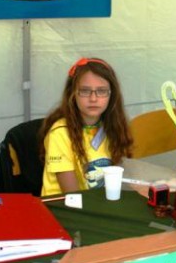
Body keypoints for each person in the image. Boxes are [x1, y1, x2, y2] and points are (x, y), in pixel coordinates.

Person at [39, 57, 133, 196]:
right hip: (64, 208)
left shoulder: (113, 127)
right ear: (73, 93)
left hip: (96, 203)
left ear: (111, 95)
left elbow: (122, 178)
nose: (93, 98)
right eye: (85, 91)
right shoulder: (60, 134)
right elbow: (73, 196)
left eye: (101, 91)